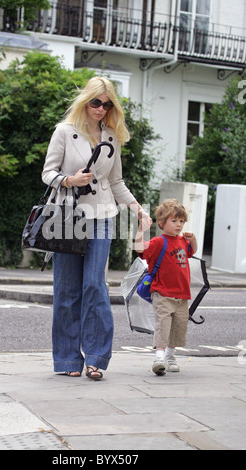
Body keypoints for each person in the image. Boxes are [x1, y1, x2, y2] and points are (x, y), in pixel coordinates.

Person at [42, 76, 152, 380]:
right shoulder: (64, 132)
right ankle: (66, 359)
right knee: (66, 290)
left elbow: (115, 181)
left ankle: (96, 357)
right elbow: (47, 173)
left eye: (107, 104)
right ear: (85, 101)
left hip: (102, 216)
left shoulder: (112, 138)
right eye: (96, 102)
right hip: (66, 217)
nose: (101, 109)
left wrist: (137, 209)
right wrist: (68, 180)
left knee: (94, 284)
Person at [135, 198, 197, 376]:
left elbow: (193, 251)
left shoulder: (183, 241)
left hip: (182, 295)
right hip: (162, 293)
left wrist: (193, 240)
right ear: (162, 223)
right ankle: (159, 358)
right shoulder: (157, 242)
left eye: (181, 221)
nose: (179, 224)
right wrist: (141, 230)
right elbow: (140, 249)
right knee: (163, 325)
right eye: (174, 220)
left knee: (178, 327)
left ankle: (170, 357)